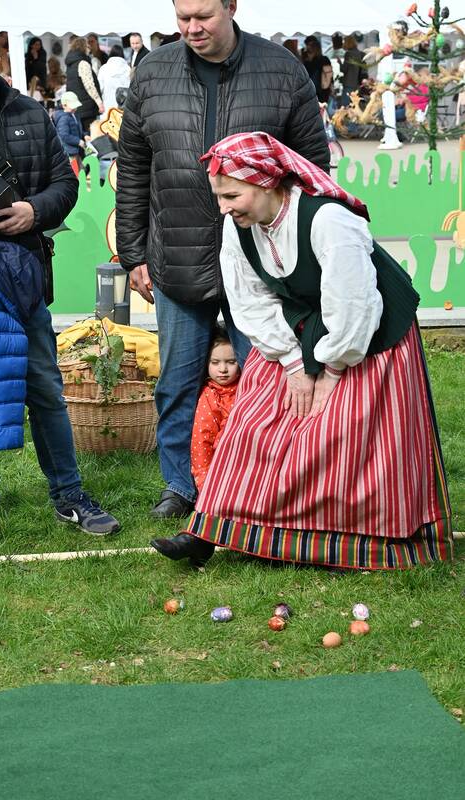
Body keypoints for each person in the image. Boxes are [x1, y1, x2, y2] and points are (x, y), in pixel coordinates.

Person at [151, 131, 452, 570]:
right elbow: (250, 299)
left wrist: (331, 371)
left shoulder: (329, 220)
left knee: (344, 432)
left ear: (266, 183)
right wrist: (293, 363)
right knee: (253, 422)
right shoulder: (239, 227)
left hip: (370, 332)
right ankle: (209, 530)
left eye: (232, 195)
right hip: (301, 327)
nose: (224, 207)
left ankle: (353, 542)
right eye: (218, 197)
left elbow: (353, 305)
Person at [116, 0, 330, 520]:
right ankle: (181, 486)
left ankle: (263, 484)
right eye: (182, 16)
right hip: (177, 255)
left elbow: (313, 167)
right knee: (176, 382)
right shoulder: (153, 72)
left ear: (231, 7)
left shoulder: (281, 70)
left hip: (261, 262)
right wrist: (133, 252)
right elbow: (134, 166)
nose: (192, 28)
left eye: (204, 16)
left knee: (266, 378)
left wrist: (303, 250)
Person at [0, 17, 119, 540]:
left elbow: (65, 184)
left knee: (44, 388)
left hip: (22, 279)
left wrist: (33, 212)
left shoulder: (30, 114)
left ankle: (69, 494)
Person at [190, 328, 240, 492]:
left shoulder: (246, 389)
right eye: (215, 362)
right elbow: (202, 439)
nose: (223, 369)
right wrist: (204, 483)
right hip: (219, 470)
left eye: (231, 362)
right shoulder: (209, 396)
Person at [65, 36, 103, 135]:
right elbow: (89, 85)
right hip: (87, 107)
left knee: (81, 135)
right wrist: (99, 102)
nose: (89, 49)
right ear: (83, 47)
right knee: (91, 135)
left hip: (76, 105)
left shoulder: (70, 64)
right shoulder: (83, 63)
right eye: (87, 46)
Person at [54, 91, 86, 169]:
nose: (75, 109)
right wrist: (78, 141)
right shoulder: (63, 118)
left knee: (81, 169)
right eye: (72, 107)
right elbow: (64, 135)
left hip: (77, 150)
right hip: (69, 151)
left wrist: (85, 135)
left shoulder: (74, 115)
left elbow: (78, 129)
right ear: (64, 105)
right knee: (74, 170)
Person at [97, 45, 130, 114]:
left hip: (107, 105)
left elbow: (99, 87)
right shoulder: (127, 69)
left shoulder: (104, 69)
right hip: (124, 106)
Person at [301, 35, 333, 104]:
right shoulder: (324, 59)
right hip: (322, 93)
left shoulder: (306, 62)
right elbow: (330, 76)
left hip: (313, 93)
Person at [339, 35, 367, 107]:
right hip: (357, 83)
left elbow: (344, 69)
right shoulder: (361, 54)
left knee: (345, 106)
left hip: (349, 83)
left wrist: (340, 63)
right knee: (355, 106)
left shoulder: (348, 54)